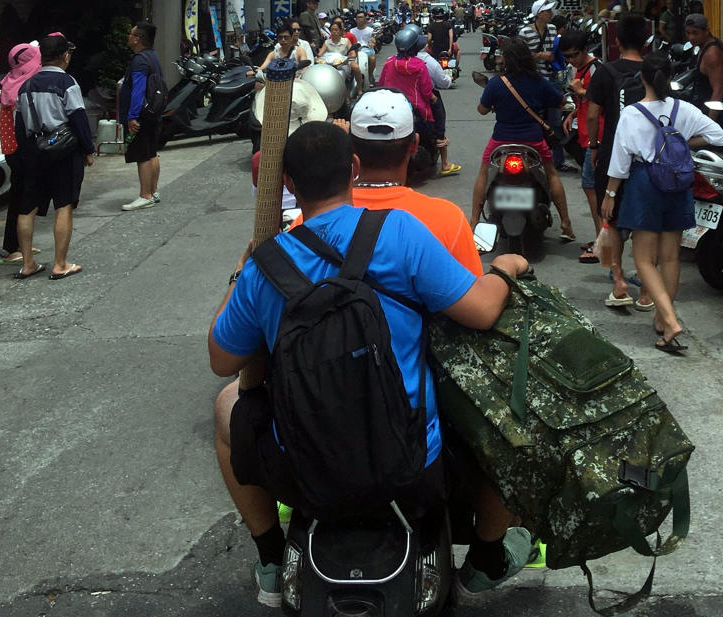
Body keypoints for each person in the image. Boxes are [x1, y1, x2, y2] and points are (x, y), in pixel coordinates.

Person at [209, 121, 533, 607]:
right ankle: (486, 557)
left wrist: (243, 270)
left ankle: (273, 558)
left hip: (304, 466)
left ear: (290, 185)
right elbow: (482, 311)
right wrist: (507, 267)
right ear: (354, 169)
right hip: (411, 464)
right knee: (512, 410)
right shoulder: (400, 232)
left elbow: (221, 359)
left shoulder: (267, 264)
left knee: (224, 406)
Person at [602, 53, 723, 353]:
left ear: (643, 77)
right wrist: (681, 143)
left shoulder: (632, 113)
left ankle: (669, 321)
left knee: (644, 260)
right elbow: (717, 136)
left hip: (645, 183)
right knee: (671, 257)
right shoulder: (684, 109)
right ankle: (661, 317)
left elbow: (620, 161)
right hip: (678, 182)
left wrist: (610, 194)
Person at [299, 90, 477, 271]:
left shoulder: (311, 219)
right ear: (414, 144)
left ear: (351, 146)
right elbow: (477, 294)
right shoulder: (448, 219)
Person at [472, 37, 575, 241]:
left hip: (501, 142)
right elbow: (561, 102)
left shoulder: (496, 84)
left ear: (507, 60)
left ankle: (473, 221)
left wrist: (494, 104)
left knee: (484, 174)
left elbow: (482, 110)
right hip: (533, 142)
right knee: (552, 174)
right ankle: (566, 223)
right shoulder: (539, 82)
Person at [13, 33, 94, 280]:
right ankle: (60, 264)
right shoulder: (67, 83)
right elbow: (79, 118)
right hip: (63, 152)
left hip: (34, 153)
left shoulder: (25, 85)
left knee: (27, 207)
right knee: (63, 205)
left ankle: (27, 263)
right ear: (64, 56)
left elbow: (20, 124)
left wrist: (28, 154)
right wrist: (89, 149)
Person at [585, 15, 652, 307]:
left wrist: (594, 145)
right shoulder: (655, 71)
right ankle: (648, 291)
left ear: (617, 41)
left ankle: (619, 280)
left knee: (609, 219)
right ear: (646, 41)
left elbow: (591, 114)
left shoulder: (605, 71)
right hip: (648, 158)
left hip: (614, 153)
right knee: (644, 224)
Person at [0, 42, 42, 266]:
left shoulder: (10, 81)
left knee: (22, 196)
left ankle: (20, 244)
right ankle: (13, 247)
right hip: (21, 150)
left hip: (12, 149)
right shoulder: (22, 87)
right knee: (21, 199)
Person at [558, 30, 601, 263]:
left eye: (573, 55)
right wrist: (574, 112)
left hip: (597, 138)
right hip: (587, 136)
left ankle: (602, 243)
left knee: (593, 189)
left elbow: (602, 102)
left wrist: (580, 92)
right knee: (591, 189)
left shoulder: (596, 69)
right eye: (566, 57)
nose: (570, 60)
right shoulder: (579, 69)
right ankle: (601, 239)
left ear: (585, 50)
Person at [118, 21, 164, 211]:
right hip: (153, 112)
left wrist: (132, 116)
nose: (128, 36)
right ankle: (152, 192)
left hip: (141, 114)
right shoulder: (152, 56)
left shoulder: (139, 60)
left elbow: (138, 89)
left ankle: (145, 195)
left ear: (137, 39)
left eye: (131, 34)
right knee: (151, 152)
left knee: (143, 155)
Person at [519, 0, 567, 171]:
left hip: (553, 80)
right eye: (547, 11)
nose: (551, 13)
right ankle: (534, 159)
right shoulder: (525, 32)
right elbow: (520, 56)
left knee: (555, 121)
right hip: (534, 81)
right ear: (539, 13)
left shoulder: (553, 29)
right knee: (536, 120)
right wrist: (540, 55)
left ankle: (558, 161)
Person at [683, 13, 723, 126]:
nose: (691, 37)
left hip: (715, 113)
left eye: (695, 33)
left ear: (706, 31)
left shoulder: (711, 54)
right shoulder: (714, 43)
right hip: (707, 107)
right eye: (688, 33)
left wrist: (710, 125)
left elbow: (718, 90)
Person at [416, 41, 460, 176]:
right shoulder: (428, 62)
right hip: (427, 96)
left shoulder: (395, 61)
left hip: (405, 97)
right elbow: (443, 83)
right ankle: (445, 163)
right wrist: (449, 78)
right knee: (439, 123)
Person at [378, 25, 436, 126]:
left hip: (390, 106)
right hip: (416, 107)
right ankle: (439, 136)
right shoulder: (420, 64)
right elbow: (426, 91)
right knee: (437, 106)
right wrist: (432, 97)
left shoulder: (389, 62)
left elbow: (381, 84)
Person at [349, 11, 378, 87]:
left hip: (367, 50)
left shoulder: (371, 30)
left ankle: (370, 76)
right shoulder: (352, 31)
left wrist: (372, 43)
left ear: (365, 19)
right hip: (356, 51)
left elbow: (373, 40)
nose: (359, 19)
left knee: (372, 58)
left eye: (361, 17)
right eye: (358, 17)